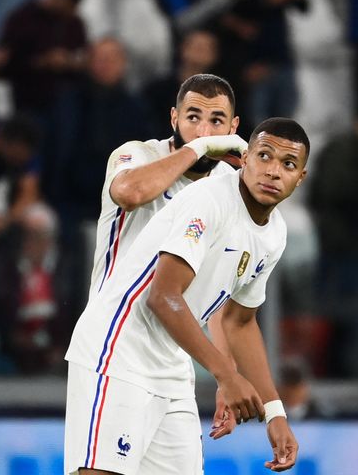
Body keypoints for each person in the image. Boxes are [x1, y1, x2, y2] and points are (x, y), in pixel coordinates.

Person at [65, 117, 309, 474]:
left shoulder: (275, 234)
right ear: (245, 159)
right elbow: (163, 296)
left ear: (300, 178)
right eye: (264, 156)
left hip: (171, 364)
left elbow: (240, 322)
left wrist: (275, 413)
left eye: (287, 164)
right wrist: (226, 374)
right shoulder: (210, 199)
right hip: (117, 350)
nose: (273, 171)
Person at [84, 73, 248, 439]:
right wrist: (201, 149)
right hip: (114, 344)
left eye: (216, 121)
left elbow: (218, 291)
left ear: (233, 126)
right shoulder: (137, 154)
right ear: (173, 118)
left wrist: (226, 374)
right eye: (193, 117)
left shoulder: (228, 188)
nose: (203, 129)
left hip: (173, 358)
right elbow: (129, 192)